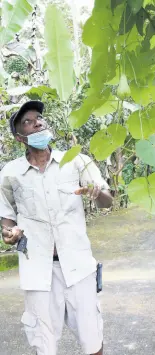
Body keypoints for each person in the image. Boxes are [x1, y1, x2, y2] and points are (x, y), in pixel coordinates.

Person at [0, 100, 113, 355]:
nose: (37, 122)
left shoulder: (76, 161)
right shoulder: (10, 173)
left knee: (92, 339)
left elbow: (107, 200)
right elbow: (7, 218)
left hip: (78, 266)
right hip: (37, 270)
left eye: (39, 117)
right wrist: (10, 233)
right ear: (19, 138)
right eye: (27, 121)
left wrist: (98, 194)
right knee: (44, 344)